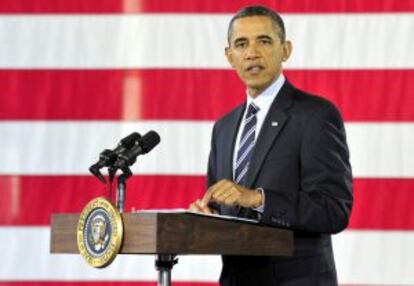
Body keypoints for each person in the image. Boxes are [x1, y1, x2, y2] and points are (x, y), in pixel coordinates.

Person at [189, 5, 353, 286]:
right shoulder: (224, 128)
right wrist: (205, 218)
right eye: (241, 44)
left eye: (263, 41)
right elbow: (224, 207)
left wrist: (258, 198)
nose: (252, 52)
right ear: (230, 57)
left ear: (285, 50)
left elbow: (333, 210)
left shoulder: (315, 115)